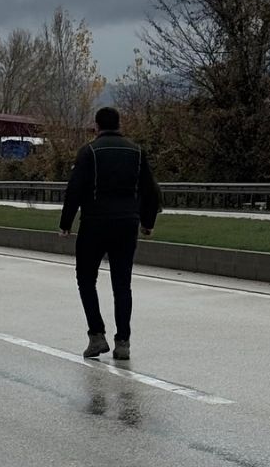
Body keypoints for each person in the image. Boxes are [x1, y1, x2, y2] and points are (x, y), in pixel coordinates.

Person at [59, 107, 162, 361]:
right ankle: (123, 342)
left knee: (86, 279)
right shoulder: (137, 152)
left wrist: (66, 223)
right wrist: (147, 222)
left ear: (96, 126)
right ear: (120, 124)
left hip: (94, 223)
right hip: (127, 224)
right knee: (122, 285)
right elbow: (152, 191)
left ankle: (97, 335)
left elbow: (74, 189)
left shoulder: (89, 152)